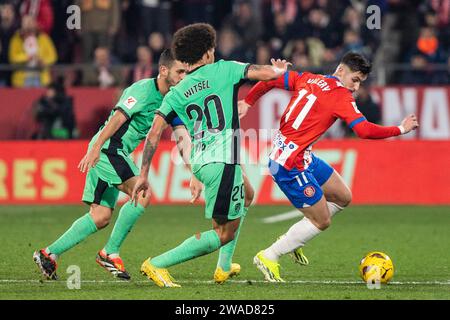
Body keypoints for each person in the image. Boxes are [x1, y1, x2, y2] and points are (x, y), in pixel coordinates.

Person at [131, 22, 291, 288]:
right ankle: (157, 263)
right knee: (224, 233)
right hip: (222, 161)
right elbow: (263, 73)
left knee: (247, 194)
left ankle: (224, 267)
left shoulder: (177, 91)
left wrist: (144, 173)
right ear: (206, 54)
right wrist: (279, 70)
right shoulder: (224, 69)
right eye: (212, 49)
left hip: (201, 162)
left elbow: (154, 133)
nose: (214, 53)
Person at [238, 52, 419, 282]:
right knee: (322, 221)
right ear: (341, 71)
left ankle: (298, 237)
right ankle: (269, 256)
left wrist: (248, 101)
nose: (355, 87)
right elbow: (363, 130)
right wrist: (400, 129)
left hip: (301, 156)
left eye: (360, 83)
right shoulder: (340, 96)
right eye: (355, 80)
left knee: (343, 196)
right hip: (289, 165)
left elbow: (272, 79)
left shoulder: (308, 78)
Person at [33, 49, 190, 281]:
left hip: (114, 152)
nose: (183, 77)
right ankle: (109, 252)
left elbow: (181, 135)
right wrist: (97, 148)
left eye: (186, 72)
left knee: (101, 215)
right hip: (109, 149)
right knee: (142, 193)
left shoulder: (173, 100)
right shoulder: (142, 90)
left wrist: (193, 169)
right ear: (164, 70)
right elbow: (118, 117)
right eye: (180, 71)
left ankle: (49, 254)